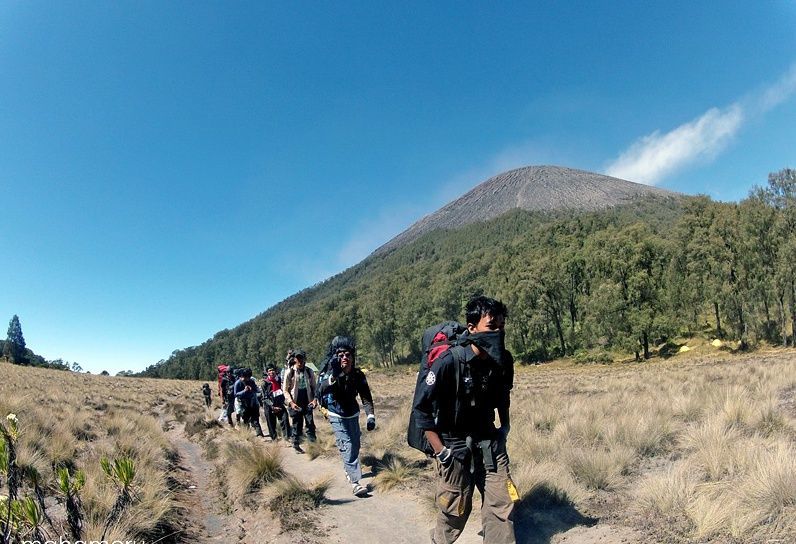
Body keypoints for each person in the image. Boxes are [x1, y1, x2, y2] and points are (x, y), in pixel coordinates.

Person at [412, 295, 516, 544]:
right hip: (453, 445)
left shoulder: (503, 360)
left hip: (489, 440)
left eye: (501, 327)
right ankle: (440, 541)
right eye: (492, 327)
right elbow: (421, 409)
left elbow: (503, 396)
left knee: (502, 503)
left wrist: (505, 426)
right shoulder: (449, 362)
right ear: (472, 328)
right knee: (456, 509)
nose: (498, 333)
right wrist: (441, 451)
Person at [317, 336, 375, 497]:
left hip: (353, 413)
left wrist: (370, 415)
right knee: (347, 444)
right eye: (341, 355)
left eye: (348, 355)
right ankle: (355, 482)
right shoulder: (332, 374)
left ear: (352, 357)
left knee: (355, 443)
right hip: (336, 413)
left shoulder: (358, 375)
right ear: (336, 357)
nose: (345, 358)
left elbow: (366, 396)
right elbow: (322, 389)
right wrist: (334, 377)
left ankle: (349, 468)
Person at [283, 349, 317, 452]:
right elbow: (285, 390)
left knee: (310, 424)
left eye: (301, 358)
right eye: (298, 358)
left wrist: (315, 400)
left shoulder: (309, 371)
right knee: (297, 425)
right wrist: (291, 403)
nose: (300, 360)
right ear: (294, 359)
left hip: (307, 400)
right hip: (295, 401)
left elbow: (314, 388)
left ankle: (313, 447)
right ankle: (296, 444)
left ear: (305, 359)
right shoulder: (290, 372)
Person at [262, 364, 292, 441]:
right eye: (269, 371)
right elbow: (264, 397)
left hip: (279, 404)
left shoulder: (279, 380)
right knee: (271, 424)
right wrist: (272, 406)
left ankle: (287, 438)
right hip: (269, 406)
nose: (271, 372)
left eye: (273, 370)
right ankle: (274, 439)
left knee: (285, 419)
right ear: (267, 372)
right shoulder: (264, 383)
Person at [234, 368, 264, 437]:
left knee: (255, 419)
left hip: (253, 402)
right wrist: (244, 391)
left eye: (248, 377)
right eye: (245, 377)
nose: (247, 379)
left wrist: (254, 390)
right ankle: (247, 435)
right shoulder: (238, 383)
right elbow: (235, 394)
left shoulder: (251, 381)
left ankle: (259, 434)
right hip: (243, 404)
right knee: (246, 420)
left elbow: (256, 389)